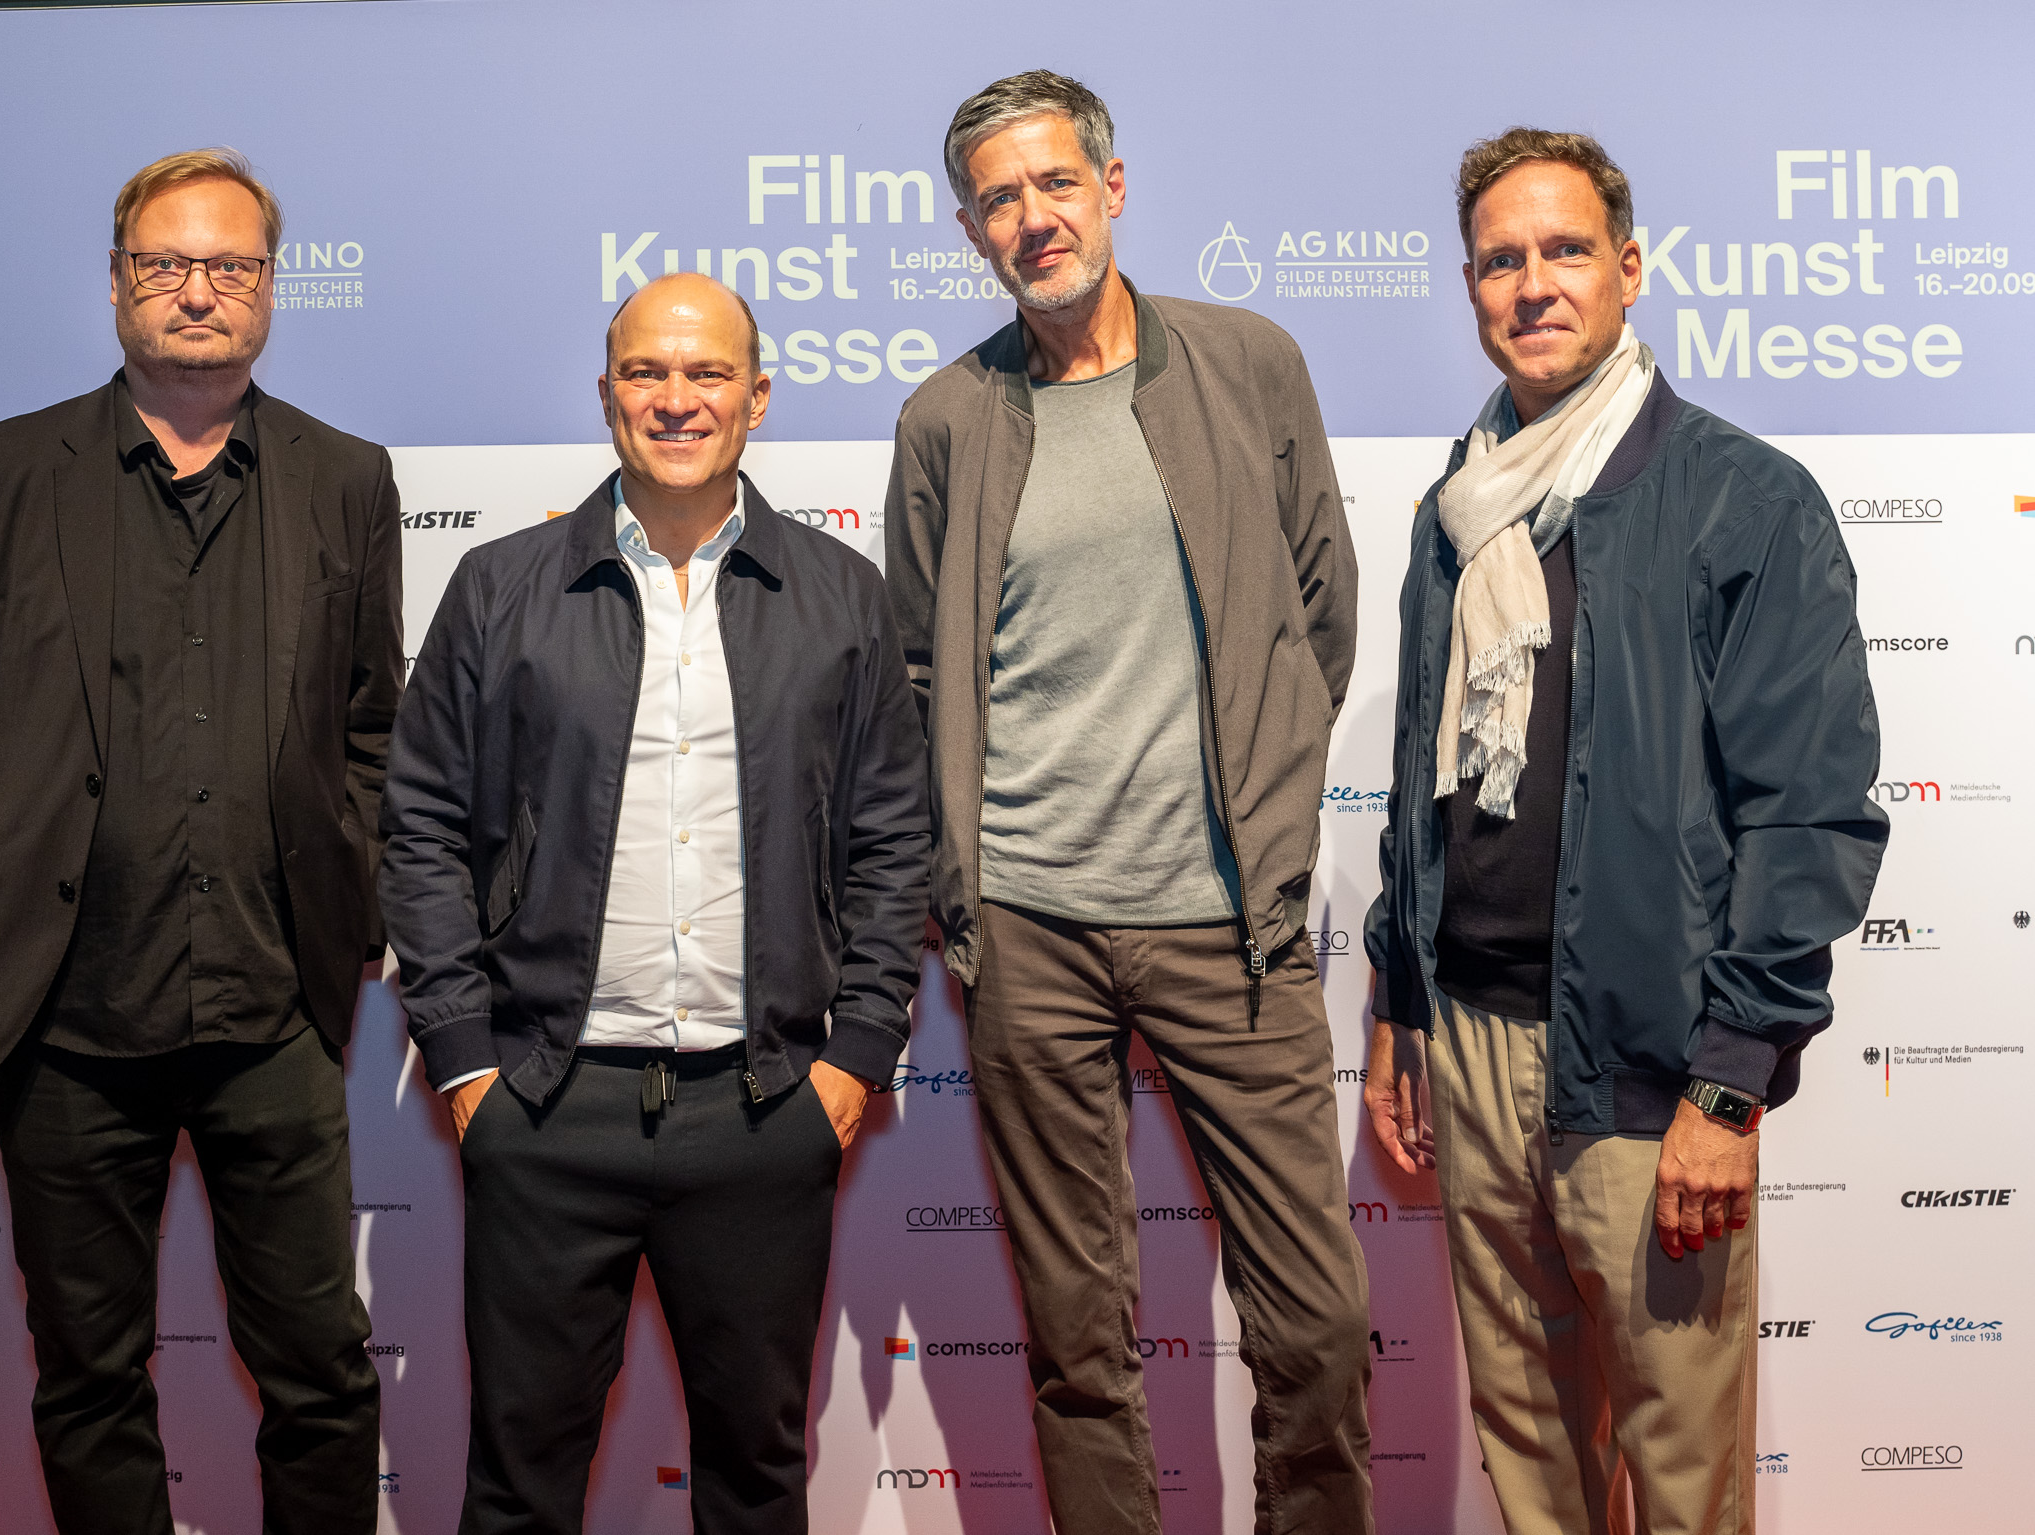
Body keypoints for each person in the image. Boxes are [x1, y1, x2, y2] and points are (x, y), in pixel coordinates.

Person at [1362, 128, 1887, 1535]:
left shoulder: (1742, 497)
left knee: (1679, 1473)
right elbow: (1420, 774)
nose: (1531, 283)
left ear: (1628, 268)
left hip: (1649, 1064)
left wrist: (1729, 1080)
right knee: (1530, 1466)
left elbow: (1804, 809)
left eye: (1564, 250)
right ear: (1469, 287)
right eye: (1500, 259)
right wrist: (1397, 999)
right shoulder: (1455, 506)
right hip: (1468, 1045)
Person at [884, 70, 1373, 1535]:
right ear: (968, 230)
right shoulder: (945, 417)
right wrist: (961, 890)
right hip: (1028, 928)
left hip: (1230, 924)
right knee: (1077, 1336)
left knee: (1316, 1321)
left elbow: (1317, 610)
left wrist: (1267, 812)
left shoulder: (1247, 360)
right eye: (997, 199)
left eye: (1054, 182)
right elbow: (919, 671)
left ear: (1110, 186)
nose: (1031, 218)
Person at [0, 148, 398, 1534]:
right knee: (89, 1377)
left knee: (321, 1371)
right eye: (165, 263)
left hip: (273, 1017)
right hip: (63, 1024)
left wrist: (345, 919)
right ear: (116, 284)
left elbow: (371, 729)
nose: (197, 291)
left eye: (228, 265)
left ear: (269, 288)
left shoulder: (346, 478)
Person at [379, 270, 929, 1535]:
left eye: (706, 372)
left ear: (757, 396)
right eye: (645, 371)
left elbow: (894, 837)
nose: (676, 398)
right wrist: (463, 1060)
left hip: (763, 1108)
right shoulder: (499, 586)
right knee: (517, 1484)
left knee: (755, 1482)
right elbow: (420, 825)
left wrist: (853, 1057)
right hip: (542, 1105)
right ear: (606, 393)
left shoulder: (841, 593)